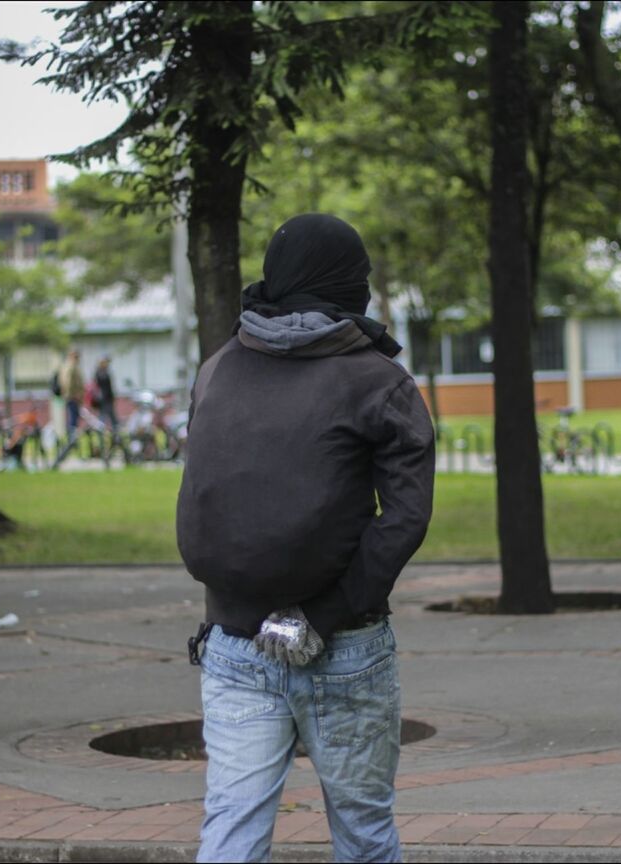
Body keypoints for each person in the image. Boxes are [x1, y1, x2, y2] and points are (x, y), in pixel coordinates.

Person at [176, 213, 435, 864]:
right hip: (343, 647)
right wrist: (321, 613)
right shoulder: (379, 381)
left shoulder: (216, 369)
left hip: (232, 642)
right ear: (341, 283)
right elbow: (402, 519)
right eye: (361, 276)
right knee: (364, 836)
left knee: (230, 834)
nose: (368, 289)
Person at [52, 348, 84, 469]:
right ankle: (71, 442)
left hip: (73, 398)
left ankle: (72, 440)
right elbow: (67, 382)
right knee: (72, 422)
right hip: (72, 398)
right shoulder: (70, 367)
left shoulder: (71, 366)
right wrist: (73, 395)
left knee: (74, 421)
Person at [93, 355, 118, 430]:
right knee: (104, 416)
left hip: (108, 398)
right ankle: (101, 430)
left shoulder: (105, 372)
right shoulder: (100, 372)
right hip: (104, 399)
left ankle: (115, 432)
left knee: (111, 416)